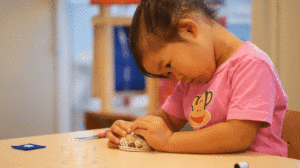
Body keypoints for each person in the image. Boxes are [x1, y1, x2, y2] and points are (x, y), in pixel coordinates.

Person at [106, 0, 288, 157]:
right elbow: (166, 120)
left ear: (189, 30)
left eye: (168, 65)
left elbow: (238, 135)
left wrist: (169, 141)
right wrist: (132, 131)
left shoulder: (252, 64)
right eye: (168, 75)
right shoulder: (191, 80)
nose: (176, 78)